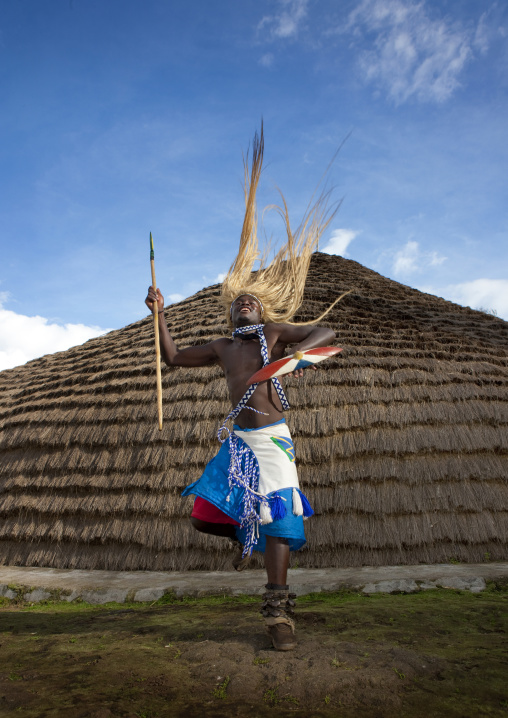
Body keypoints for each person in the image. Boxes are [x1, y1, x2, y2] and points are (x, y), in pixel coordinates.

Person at [145, 125, 344, 651]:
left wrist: (297, 358)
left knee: (280, 518)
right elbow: (170, 357)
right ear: (229, 311)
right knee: (204, 515)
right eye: (239, 302)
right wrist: (160, 314)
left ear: (264, 310)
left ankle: (278, 613)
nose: (246, 304)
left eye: (253, 301)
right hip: (238, 441)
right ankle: (244, 532)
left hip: (274, 437)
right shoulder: (220, 346)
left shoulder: (274, 336)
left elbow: (325, 334)